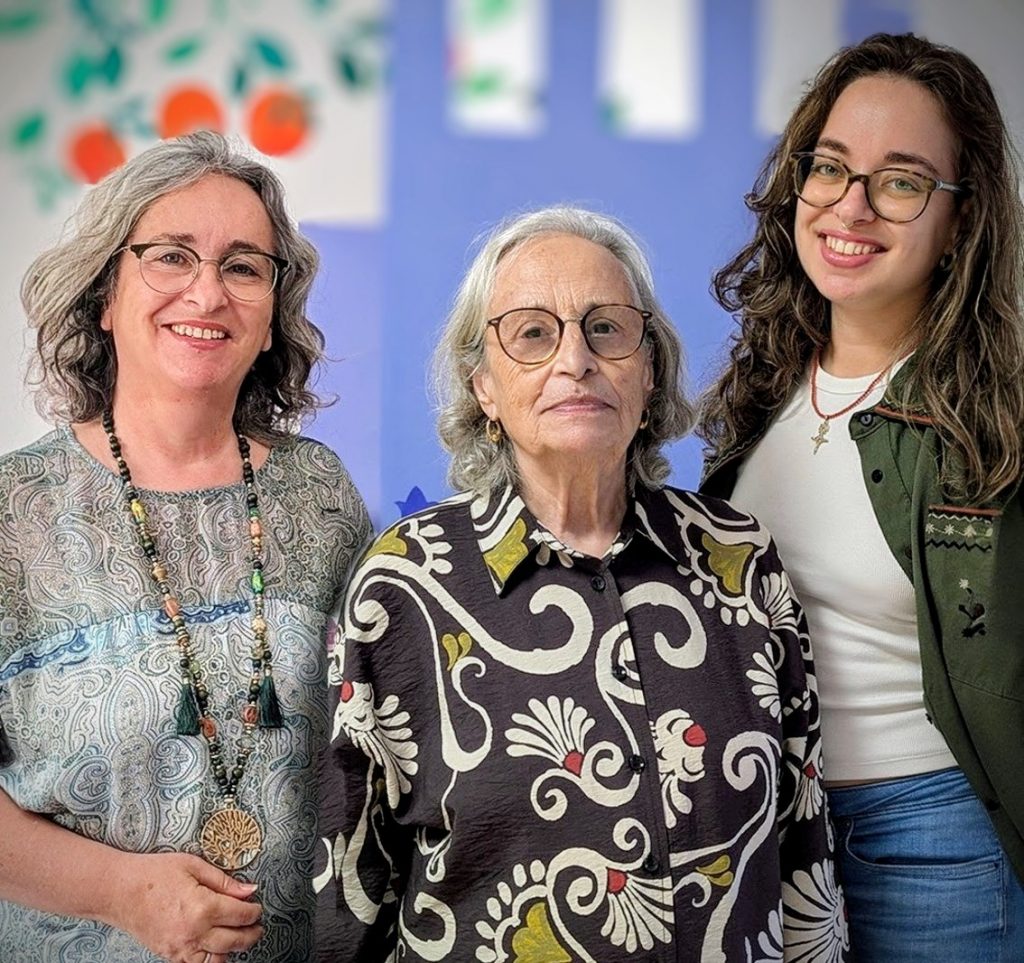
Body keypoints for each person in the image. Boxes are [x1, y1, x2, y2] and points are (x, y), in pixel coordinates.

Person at [315, 206, 848, 962]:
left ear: (650, 368)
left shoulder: (739, 559)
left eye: (606, 327)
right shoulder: (403, 583)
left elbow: (805, 850)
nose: (576, 359)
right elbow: (352, 889)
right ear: (485, 388)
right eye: (533, 333)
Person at [0, 130, 371, 963]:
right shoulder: (9, 514)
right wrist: (123, 892)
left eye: (243, 266)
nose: (207, 293)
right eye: (171, 257)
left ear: (273, 313)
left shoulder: (325, 498)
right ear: (105, 293)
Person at [699, 31, 1024, 960]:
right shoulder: (766, 385)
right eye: (831, 167)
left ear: (962, 216)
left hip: (932, 839)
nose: (852, 205)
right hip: (772, 830)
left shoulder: (995, 418)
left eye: (902, 181)